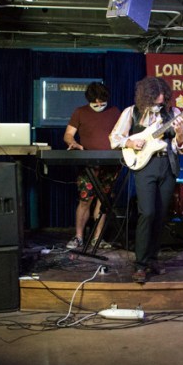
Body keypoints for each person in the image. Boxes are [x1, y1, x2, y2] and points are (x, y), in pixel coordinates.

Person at [109, 77, 183, 283]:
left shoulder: (174, 114)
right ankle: (140, 264)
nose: (161, 99)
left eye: (163, 95)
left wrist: (179, 132)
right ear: (147, 94)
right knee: (147, 212)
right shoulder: (132, 112)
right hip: (145, 166)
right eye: (156, 95)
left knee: (161, 215)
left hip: (168, 165)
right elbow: (114, 138)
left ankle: (153, 258)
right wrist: (130, 141)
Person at [63, 82, 121, 250]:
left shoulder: (115, 112)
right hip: (88, 164)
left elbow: (123, 133)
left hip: (110, 164)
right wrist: (73, 143)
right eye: (95, 103)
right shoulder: (80, 112)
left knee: (103, 202)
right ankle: (79, 237)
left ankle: (97, 238)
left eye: (102, 103)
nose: (99, 106)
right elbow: (68, 134)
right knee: (85, 200)